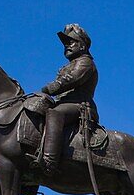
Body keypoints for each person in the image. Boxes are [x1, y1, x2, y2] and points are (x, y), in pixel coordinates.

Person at [39, 23, 99, 173]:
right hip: (64, 103)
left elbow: (72, 79)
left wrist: (52, 87)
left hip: (80, 106)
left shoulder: (85, 62)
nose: (67, 46)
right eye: (66, 43)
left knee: (55, 113)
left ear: (83, 46)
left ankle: (49, 162)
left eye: (71, 42)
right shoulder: (70, 64)